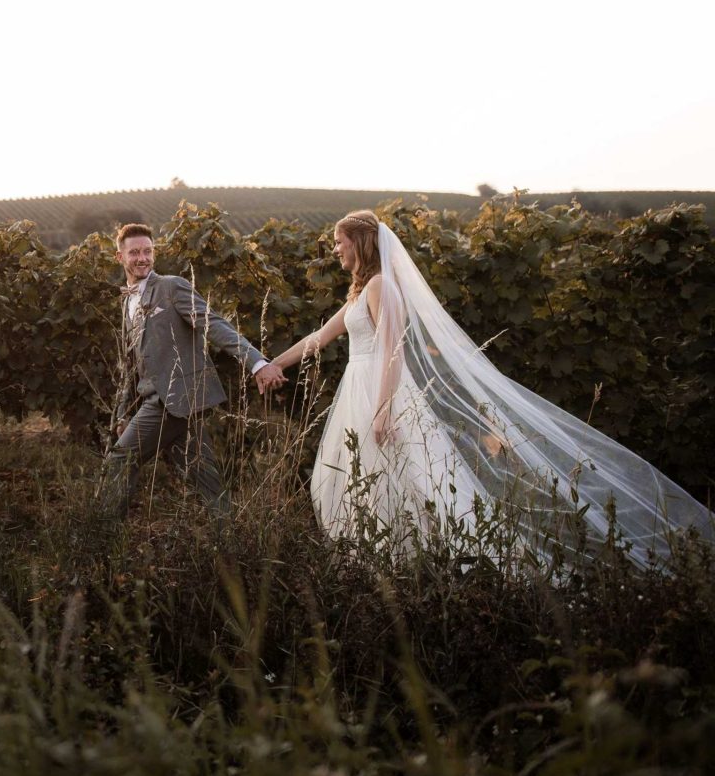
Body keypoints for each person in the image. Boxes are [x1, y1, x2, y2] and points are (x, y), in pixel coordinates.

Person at [269, 210, 713, 566]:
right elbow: (318, 339)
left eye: (338, 242)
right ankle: (379, 561)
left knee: (407, 479)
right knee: (369, 478)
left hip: (378, 391)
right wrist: (271, 364)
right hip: (359, 388)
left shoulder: (383, 286)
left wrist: (384, 407)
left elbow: (393, 353)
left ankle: (426, 561)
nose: (334, 249)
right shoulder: (360, 292)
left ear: (360, 243)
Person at [97, 223, 285, 523]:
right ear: (120, 258)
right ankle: (232, 540)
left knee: (121, 458)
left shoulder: (171, 287)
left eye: (147, 251)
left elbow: (214, 324)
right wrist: (122, 415)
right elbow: (131, 365)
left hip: (171, 399)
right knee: (205, 479)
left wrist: (257, 363)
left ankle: (102, 533)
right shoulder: (127, 302)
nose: (142, 258)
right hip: (173, 403)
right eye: (134, 252)